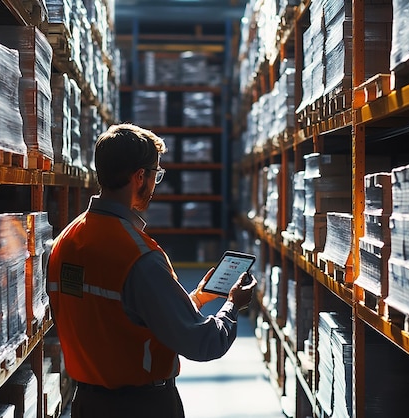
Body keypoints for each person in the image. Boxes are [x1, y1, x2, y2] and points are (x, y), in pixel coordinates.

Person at [46, 123, 257, 418]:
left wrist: (194, 300)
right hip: (141, 406)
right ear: (139, 177)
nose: (156, 184)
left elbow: (115, 315)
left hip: (87, 405)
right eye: (156, 175)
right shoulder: (139, 256)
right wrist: (233, 305)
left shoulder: (64, 242)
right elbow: (203, 343)